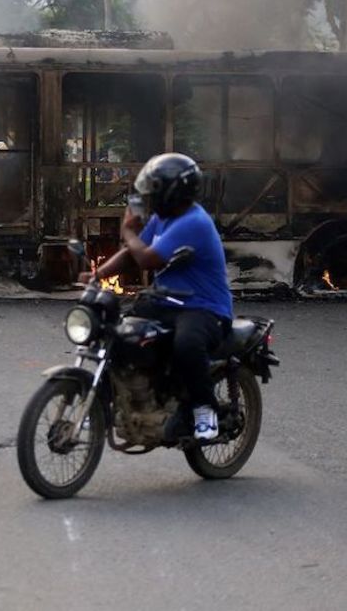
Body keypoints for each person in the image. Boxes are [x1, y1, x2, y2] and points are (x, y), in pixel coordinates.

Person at [79, 152, 232, 441]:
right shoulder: (164, 219)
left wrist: (127, 230)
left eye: (156, 191)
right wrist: (98, 275)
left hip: (203, 307)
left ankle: (203, 409)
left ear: (174, 191)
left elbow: (147, 259)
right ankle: (112, 402)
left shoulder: (193, 222)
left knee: (187, 344)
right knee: (118, 335)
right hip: (165, 301)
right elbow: (130, 255)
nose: (150, 198)